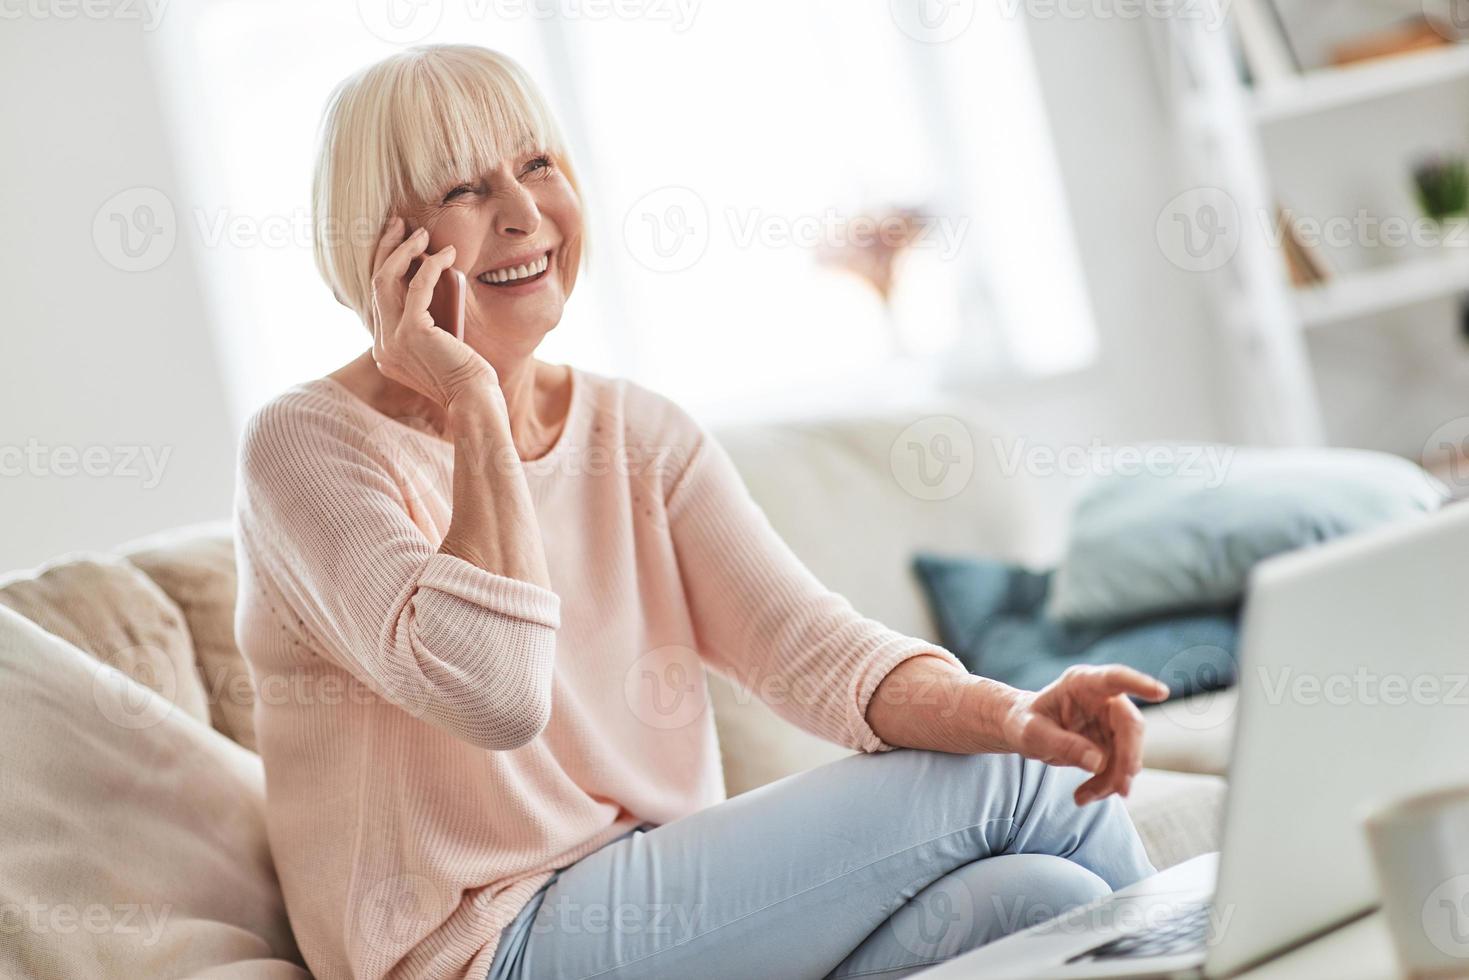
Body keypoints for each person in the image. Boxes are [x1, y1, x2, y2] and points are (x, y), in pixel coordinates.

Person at [233, 43, 1168, 980]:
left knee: (1045, 904)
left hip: (677, 924)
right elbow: (496, 693)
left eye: (537, 165)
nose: (524, 215)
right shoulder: (307, 448)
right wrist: (472, 401)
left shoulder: (634, 430)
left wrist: (1016, 715)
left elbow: (813, 652)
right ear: (385, 246)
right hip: (483, 950)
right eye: (465, 191)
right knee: (1029, 786)